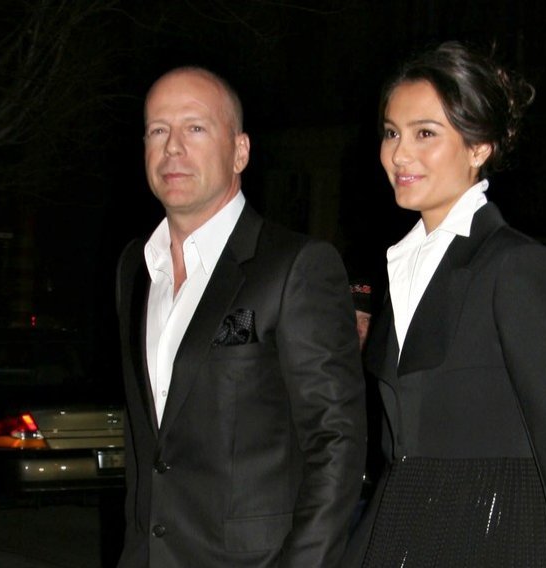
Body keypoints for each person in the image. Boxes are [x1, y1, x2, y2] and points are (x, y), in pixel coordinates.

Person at [345, 42, 546, 567]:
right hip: (403, 534)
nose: (399, 154)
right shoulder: (400, 269)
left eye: (425, 133)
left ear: (479, 148)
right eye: (391, 132)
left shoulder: (517, 267)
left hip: (499, 536)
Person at [115, 66, 367, 568]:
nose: (172, 148)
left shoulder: (295, 266)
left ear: (240, 151)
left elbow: (336, 442)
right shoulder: (134, 269)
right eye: (158, 130)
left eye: (195, 128)